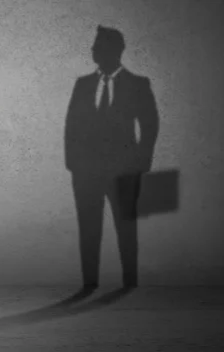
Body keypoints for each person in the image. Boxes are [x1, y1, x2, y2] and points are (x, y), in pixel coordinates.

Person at [65, 25, 159, 289]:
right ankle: (89, 284)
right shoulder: (83, 84)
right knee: (89, 228)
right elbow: (71, 125)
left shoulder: (138, 84)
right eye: (94, 46)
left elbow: (150, 126)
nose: (94, 50)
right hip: (85, 173)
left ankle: (130, 282)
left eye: (99, 46)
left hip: (124, 171)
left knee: (126, 228)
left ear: (116, 50)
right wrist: (73, 165)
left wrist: (140, 164)